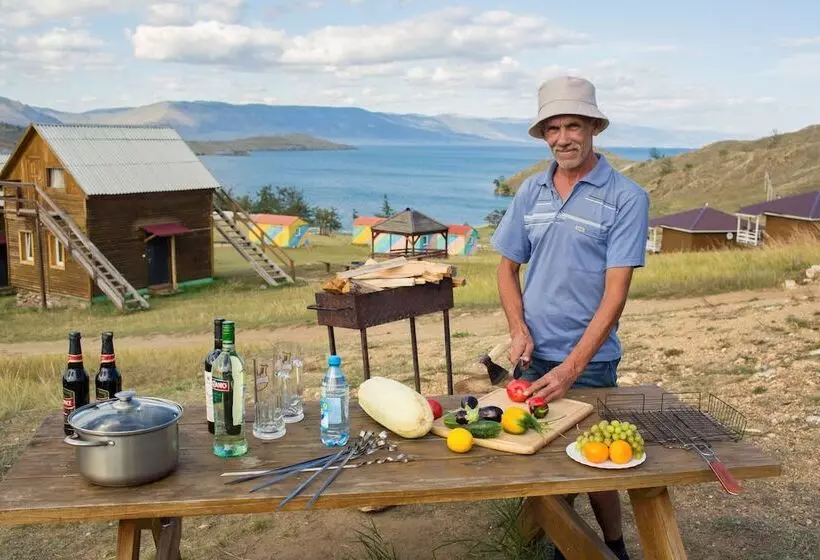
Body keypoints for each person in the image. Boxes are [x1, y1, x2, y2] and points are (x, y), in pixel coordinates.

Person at [490, 76, 649, 560]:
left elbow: (615, 294)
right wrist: (518, 330)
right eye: (553, 128)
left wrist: (572, 368)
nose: (563, 138)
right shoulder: (530, 192)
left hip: (591, 361)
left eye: (573, 125)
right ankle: (546, 545)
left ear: (594, 127)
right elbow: (506, 267)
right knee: (536, 460)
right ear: (544, 135)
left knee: (597, 462)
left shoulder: (626, 197)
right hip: (531, 358)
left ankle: (612, 547)